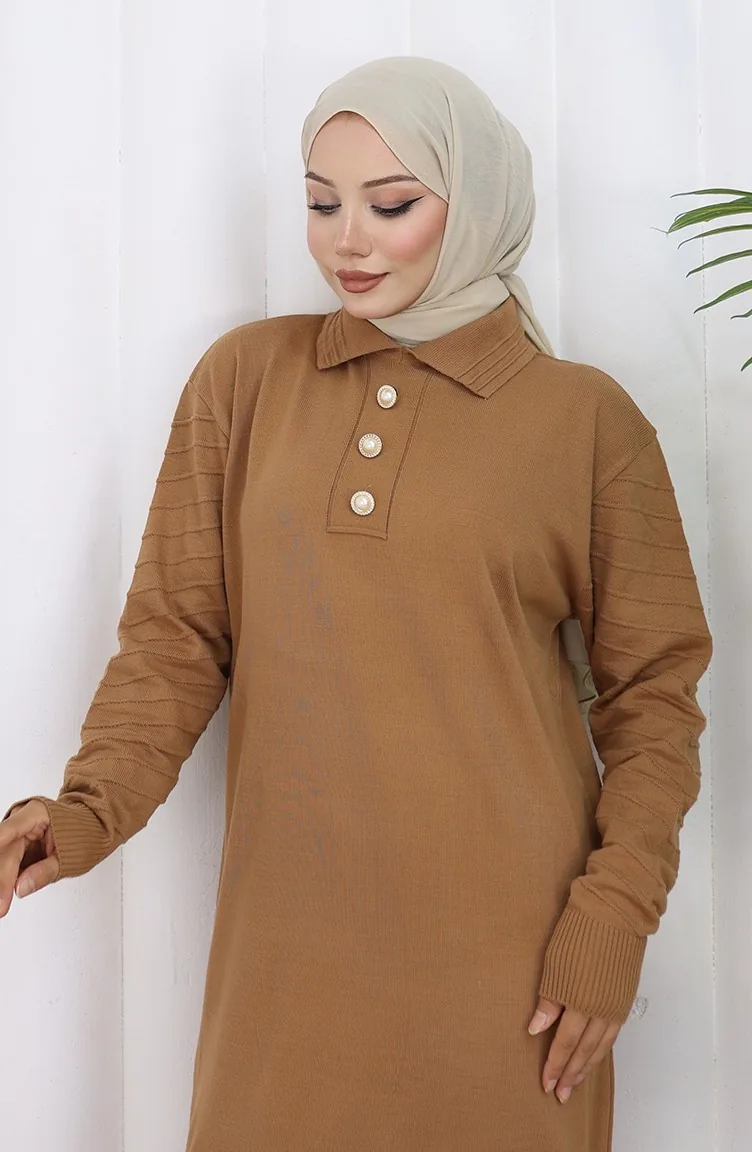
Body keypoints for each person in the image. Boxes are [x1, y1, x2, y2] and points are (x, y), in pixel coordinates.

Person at [0, 56, 712, 1152]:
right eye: (321, 203)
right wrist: (85, 810)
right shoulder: (245, 380)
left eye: (391, 205)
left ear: (474, 205)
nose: (348, 242)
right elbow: (175, 641)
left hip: (511, 962)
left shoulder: (584, 421)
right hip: (287, 949)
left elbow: (654, 700)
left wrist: (612, 920)